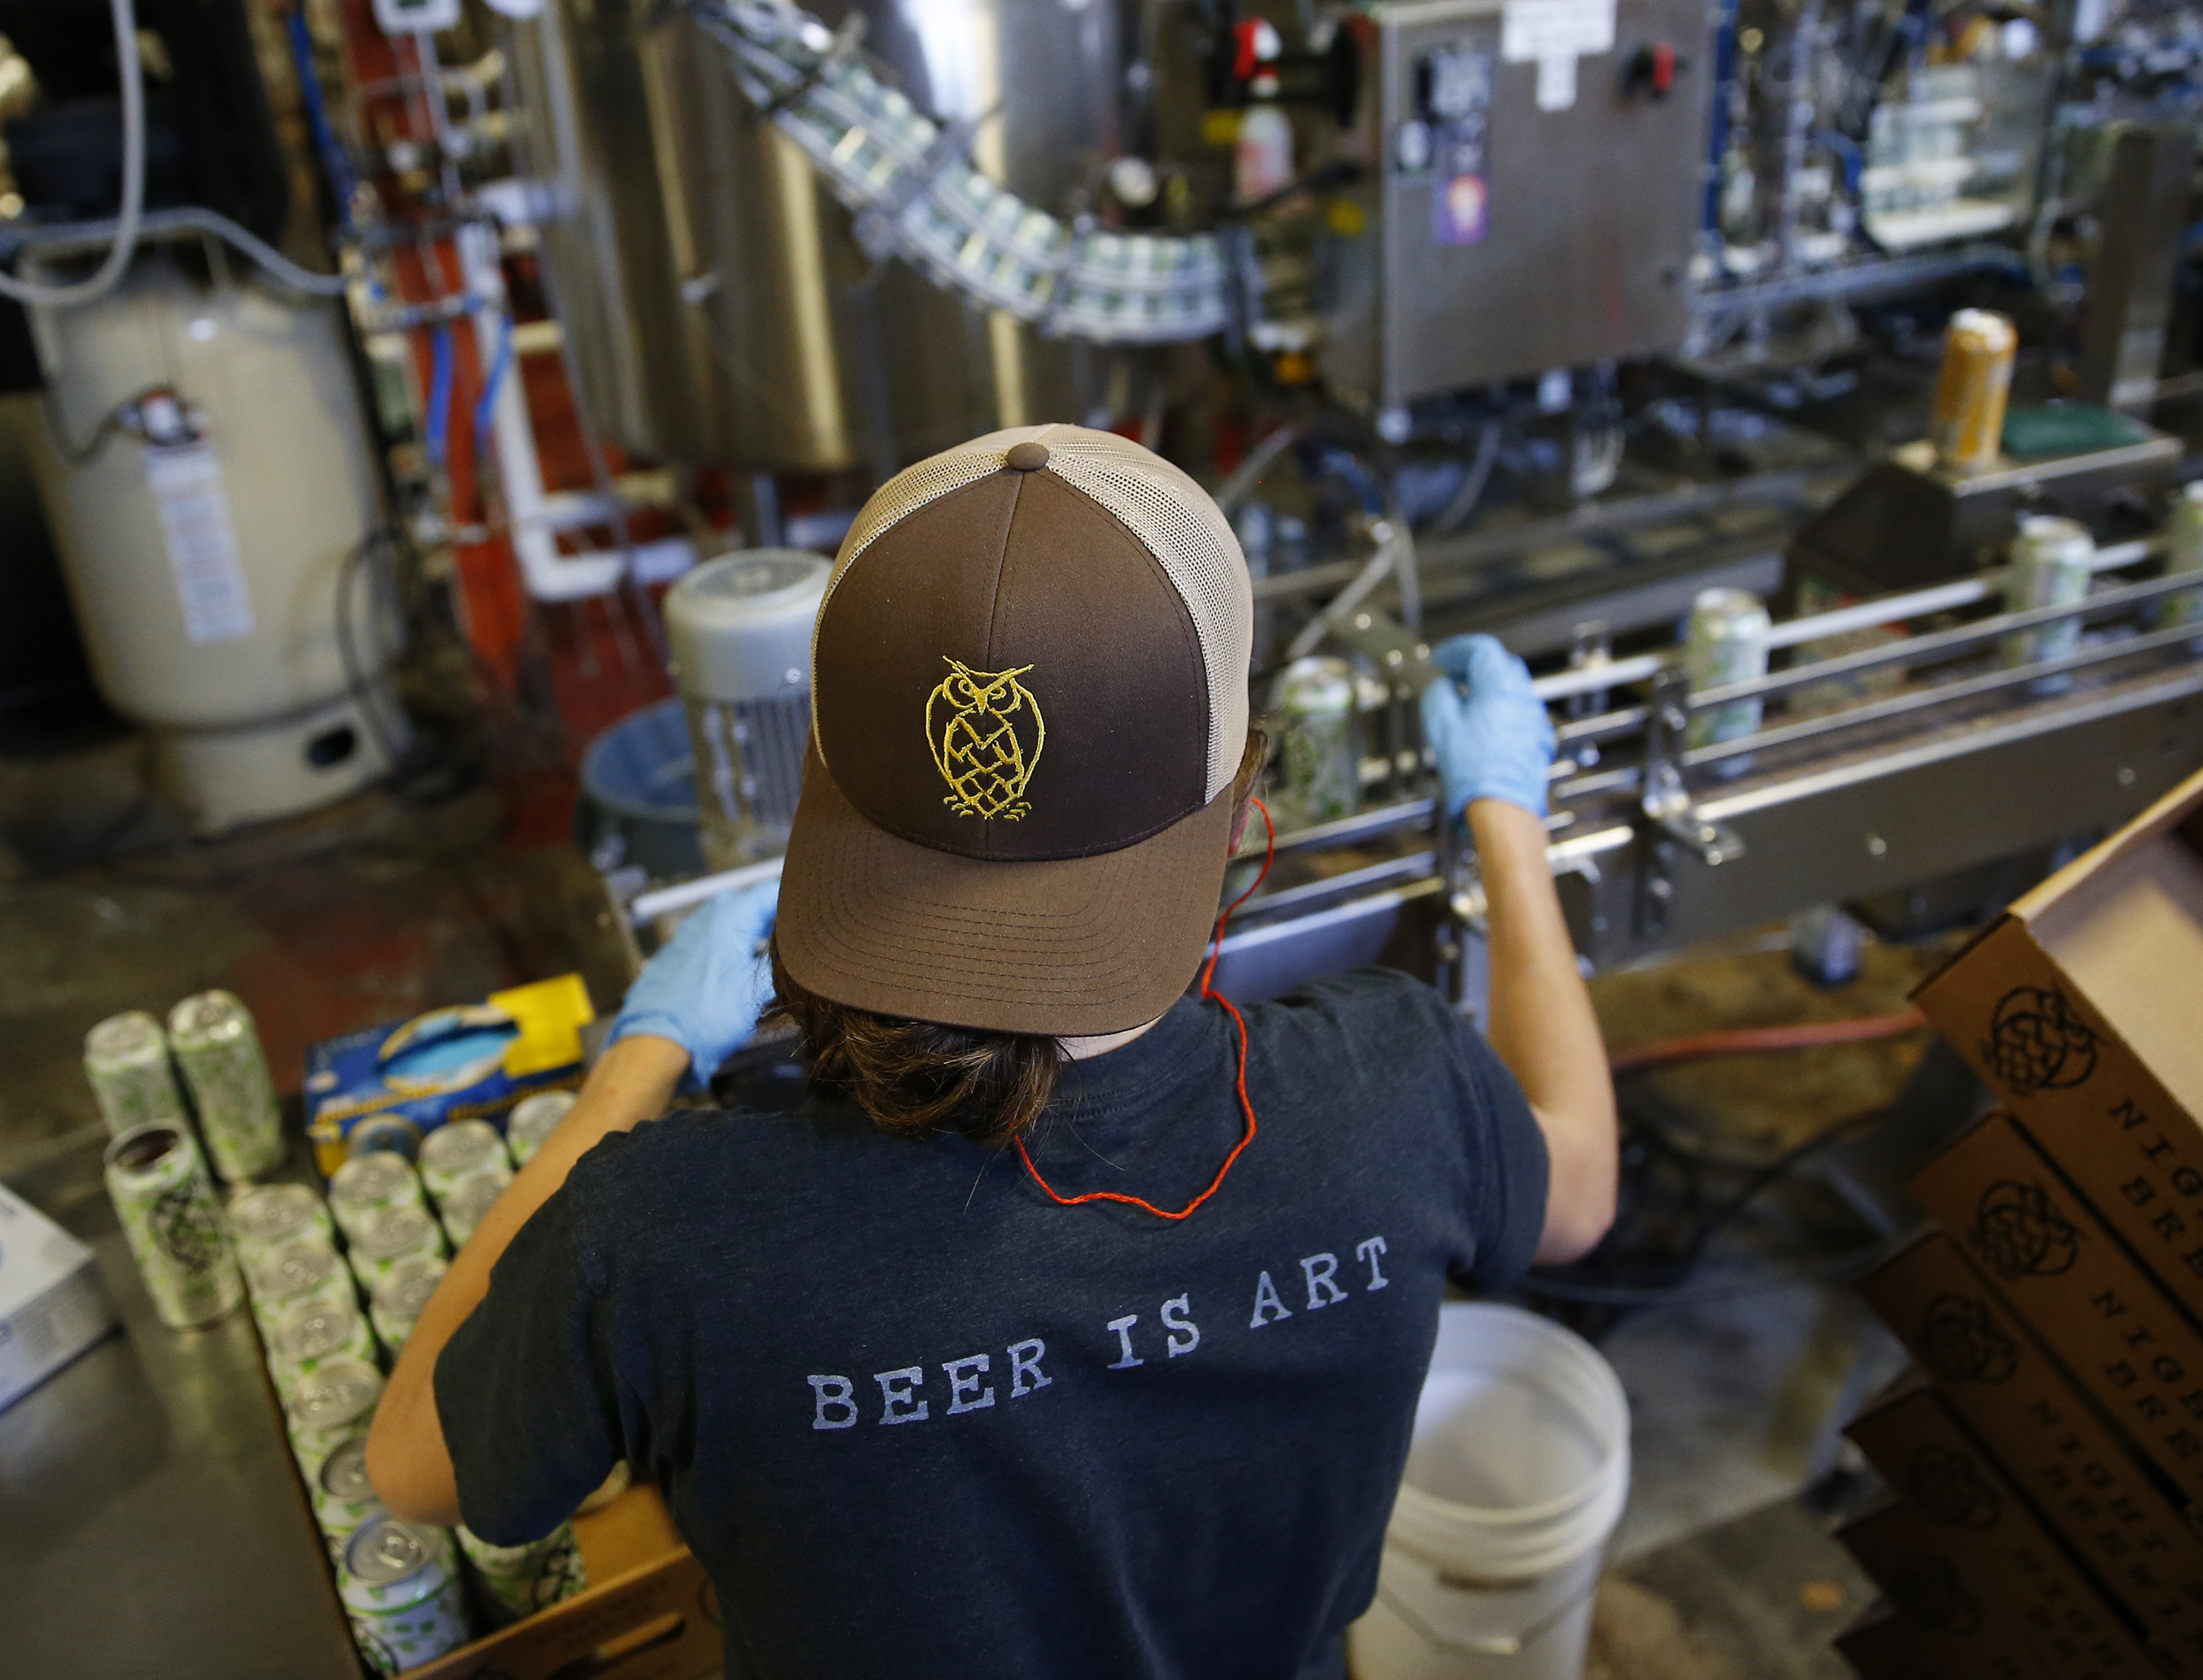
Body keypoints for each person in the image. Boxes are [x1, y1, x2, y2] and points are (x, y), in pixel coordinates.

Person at [368, 425, 1617, 1678]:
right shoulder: (1394, 1087)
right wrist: (1505, 818)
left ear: (823, 792)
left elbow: (413, 1462)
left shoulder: (662, 1237)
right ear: (1241, 811)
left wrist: (635, 1059)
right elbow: (1577, 1193)